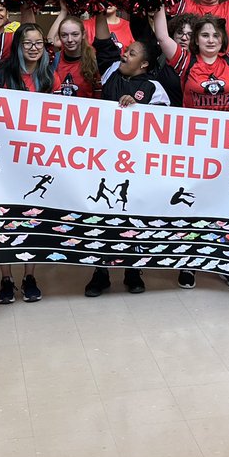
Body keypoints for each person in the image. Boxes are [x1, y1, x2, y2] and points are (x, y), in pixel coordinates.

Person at [154, 4, 229, 289]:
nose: (210, 39)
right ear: (196, 39)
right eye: (204, 35)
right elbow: (161, 34)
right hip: (194, 147)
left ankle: (227, 261)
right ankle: (188, 263)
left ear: (222, 39)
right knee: (193, 204)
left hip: (228, 148)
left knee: (227, 205)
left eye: (215, 35)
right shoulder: (185, 61)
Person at [84, 23, 168, 298]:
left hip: (136, 167)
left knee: (133, 219)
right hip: (103, 162)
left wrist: (139, 110)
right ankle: (101, 272)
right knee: (102, 216)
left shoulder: (154, 88)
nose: (124, 55)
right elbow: (104, 42)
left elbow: (167, 126)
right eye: (125, 51)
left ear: (143, 63)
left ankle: (133, 270)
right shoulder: (110, 72)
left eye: (130, 53)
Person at [0, 23, 50, 304]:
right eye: (27, 43)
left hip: (35, 159)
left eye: (39, 43)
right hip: (5, 160)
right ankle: (6, 278)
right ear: (17, 46)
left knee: (33, 216)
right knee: (4, 217)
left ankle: (29, 275)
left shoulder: (48, 77)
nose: (33, 48)